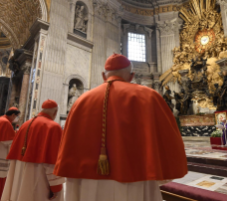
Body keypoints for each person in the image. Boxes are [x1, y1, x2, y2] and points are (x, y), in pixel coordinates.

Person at [54, 53, 187, 201]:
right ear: (131, 76)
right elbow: (169, 139)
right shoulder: (149, 97)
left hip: (86, 181)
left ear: (104, 76)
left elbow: (69, 143)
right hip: (136, 178)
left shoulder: (81, 101)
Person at [1, 100, 65, 201]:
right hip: (39, 181)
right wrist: (56, 187)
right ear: (55, 112)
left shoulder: (25, 125)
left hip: (19, 179)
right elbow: (51, 162)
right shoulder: (53, 127)